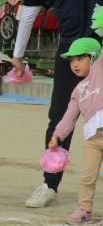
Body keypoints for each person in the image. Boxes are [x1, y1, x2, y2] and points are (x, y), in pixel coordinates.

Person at [0, 0, 103, 207]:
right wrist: (17, 55)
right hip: (69, 51)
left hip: (98, 48)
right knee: (59, 117)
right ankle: (50, 184)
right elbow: (28, 12)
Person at [48, 37, 102, 224]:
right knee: (87, 177)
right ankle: (85, 210)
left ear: (94, 58)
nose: (75, 64)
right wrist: (57, 135)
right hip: (92, 140)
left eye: (80, 58)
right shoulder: (78, 89)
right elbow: (70, 116)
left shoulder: (100, 70)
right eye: (72, 60)